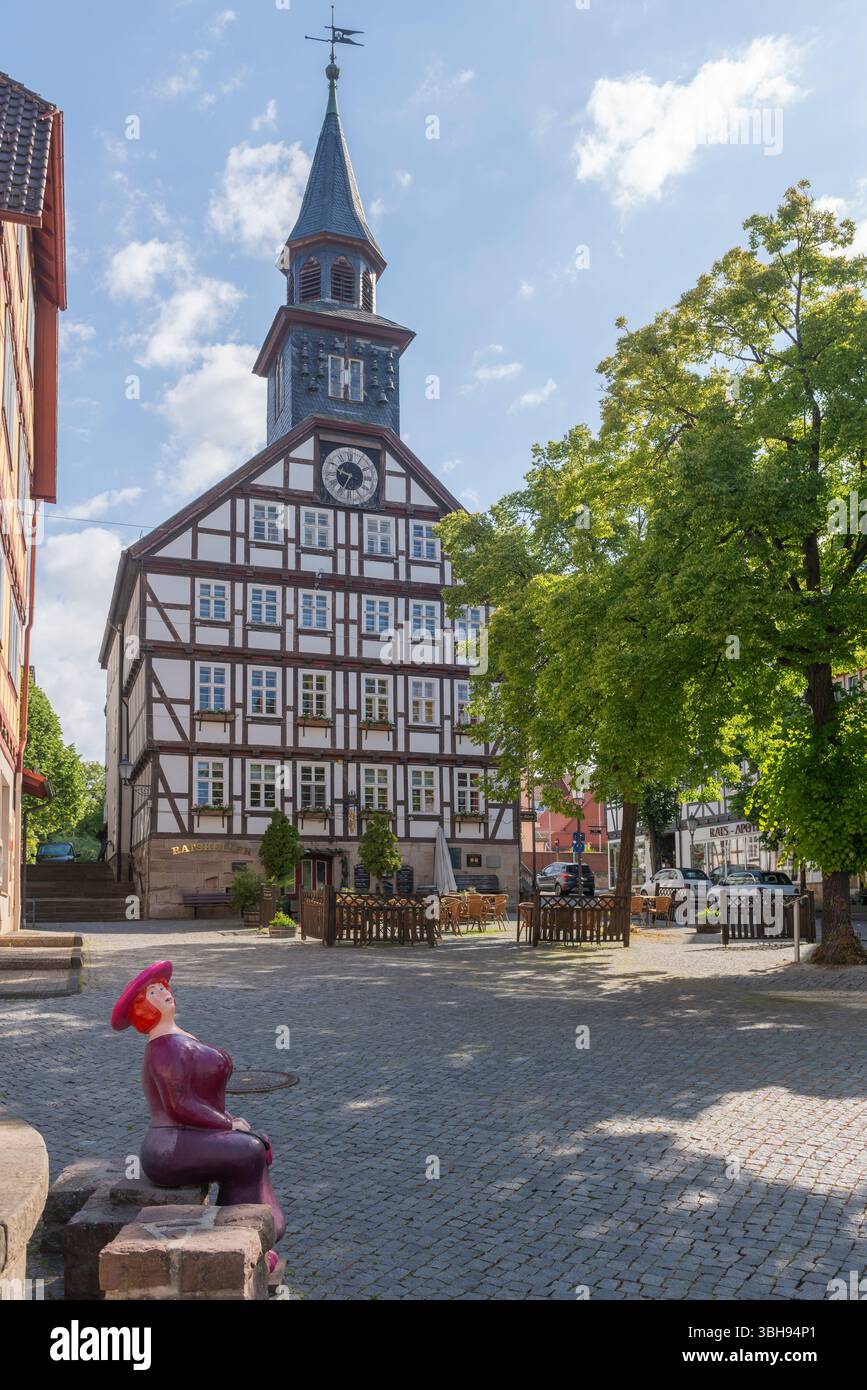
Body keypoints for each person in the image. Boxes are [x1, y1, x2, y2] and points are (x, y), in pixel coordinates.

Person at [111, 961, 285, 1268]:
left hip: (189, 1134)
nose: (164, 992)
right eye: (153, 992)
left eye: (163, 987)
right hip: (171, 1146)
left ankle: (252, 1235)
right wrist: (227, 1123)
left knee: (250, 1146)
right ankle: (246, 1239)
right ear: (142, 1007)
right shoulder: (164, 1048)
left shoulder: (176, 1036)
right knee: (248, 1151)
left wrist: (228, 1122)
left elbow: (200, 1099)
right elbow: (180, 1105)